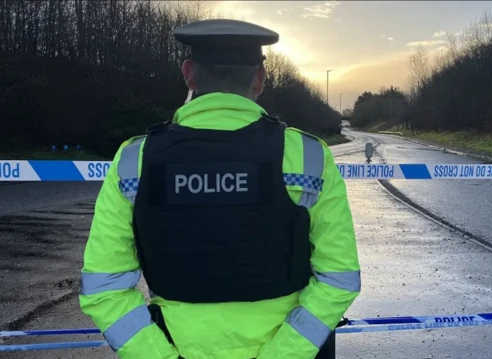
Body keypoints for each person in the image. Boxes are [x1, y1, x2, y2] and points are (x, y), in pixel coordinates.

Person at [78, 19, 360, 359]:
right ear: (260, 79)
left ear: (189, 74)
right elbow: (339, 278)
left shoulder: (134, 159)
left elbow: (104, 287)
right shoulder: (309, 157)